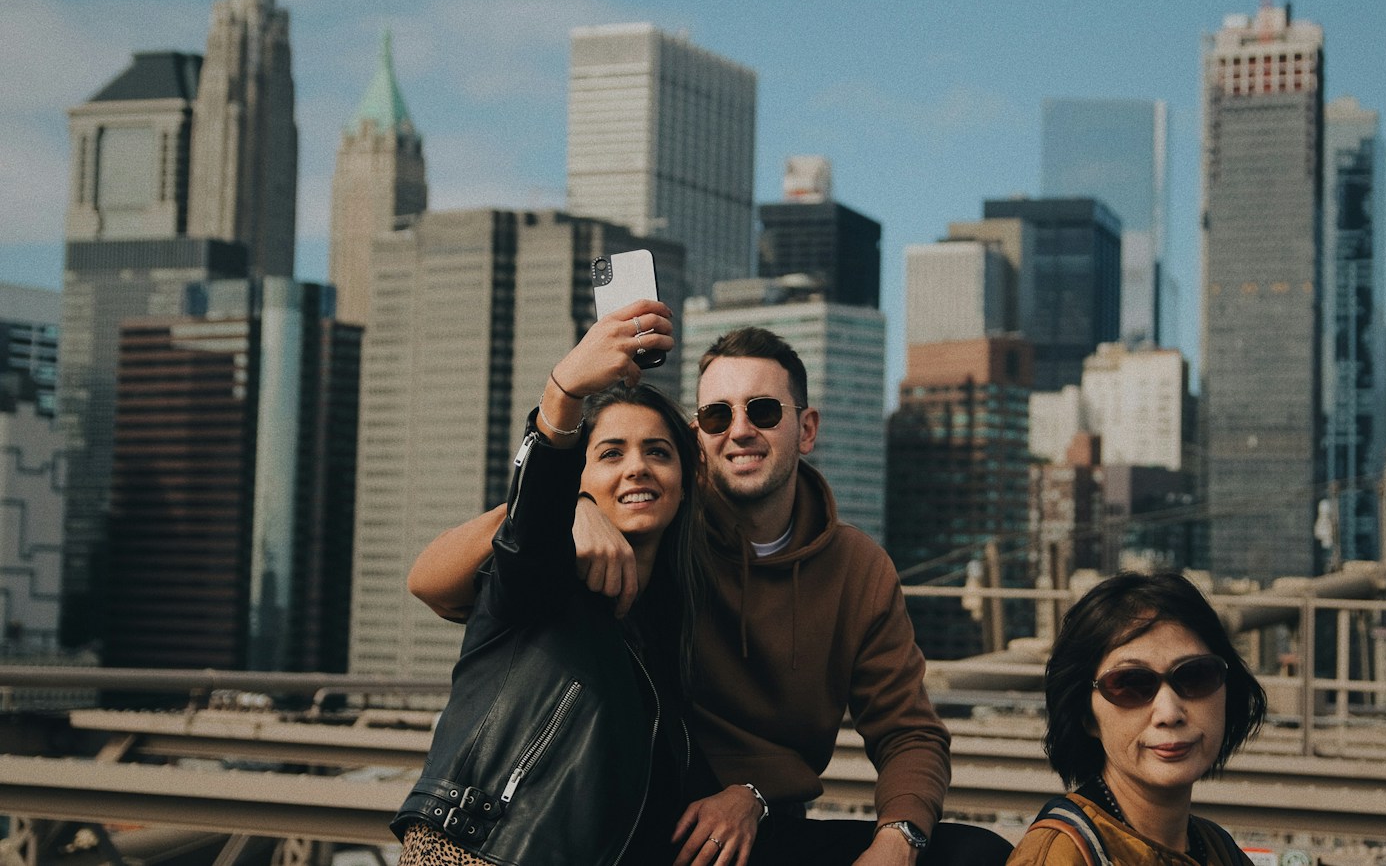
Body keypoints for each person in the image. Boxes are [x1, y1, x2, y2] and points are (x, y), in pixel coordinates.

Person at [410, 325, 1014, 866]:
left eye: (764, 411)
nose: (741, 430)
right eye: (719, 416)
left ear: (805, 428)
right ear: (699, 438)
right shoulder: (661, 537)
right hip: (643, 818)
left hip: (762, 824)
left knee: (975, 856)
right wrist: (573, 504)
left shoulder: (858, 569)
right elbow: (441, 584)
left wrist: (895, 840)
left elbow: (909, 731)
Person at [391, 300, 719, 865]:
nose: (636, 467)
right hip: (477, 852)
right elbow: (526, 528)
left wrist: (750, 797)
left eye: (658, 453)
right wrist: (563, 396)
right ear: (581, 478)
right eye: (611, 453)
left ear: (685, 482)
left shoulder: (668, 631)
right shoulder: (542, 578)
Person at [1007, 572, 1266, 866]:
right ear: (1086, 716)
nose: (1169, 713)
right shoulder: (1061, 855)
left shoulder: (1219, 849)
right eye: (1131, 684)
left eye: (1195, 676)